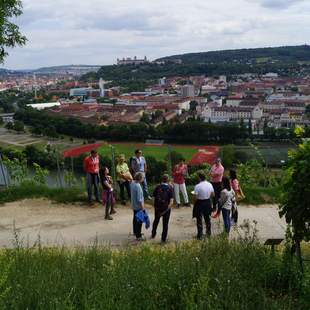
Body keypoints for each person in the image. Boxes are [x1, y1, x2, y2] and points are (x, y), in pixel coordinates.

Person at [152, 174, 174, 243]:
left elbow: (153, 198)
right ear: (168, 180)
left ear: (162, 179)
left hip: (157, 207)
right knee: (165, 224)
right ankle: (163, 239)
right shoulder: (170, 188)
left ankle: (153, 234)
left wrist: (155, 206)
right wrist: (168, 208)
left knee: (156, 220)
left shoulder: (157, 187)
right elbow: (171, 201)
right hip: (166, 208)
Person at [193, 173, 214, 239]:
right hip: (207, 202)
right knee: (207, 218)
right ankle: (208, 233)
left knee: (199, 219)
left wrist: (194, 202)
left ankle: (200, 234)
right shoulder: (209, 184)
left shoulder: (197, 186)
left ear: (199, 178)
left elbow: (195, 197)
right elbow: (213, 194)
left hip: (200, 202)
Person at [130, 172, 145, 240]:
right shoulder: (138, 186)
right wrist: (143, 208)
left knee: (135, 219)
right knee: (139, 221)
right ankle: (138, 236)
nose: (143, 179)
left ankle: (135, 232)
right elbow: (140, 199)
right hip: (138, 206)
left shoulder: (132, 183)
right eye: (143, 177)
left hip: (134, 205)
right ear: (140, 178)